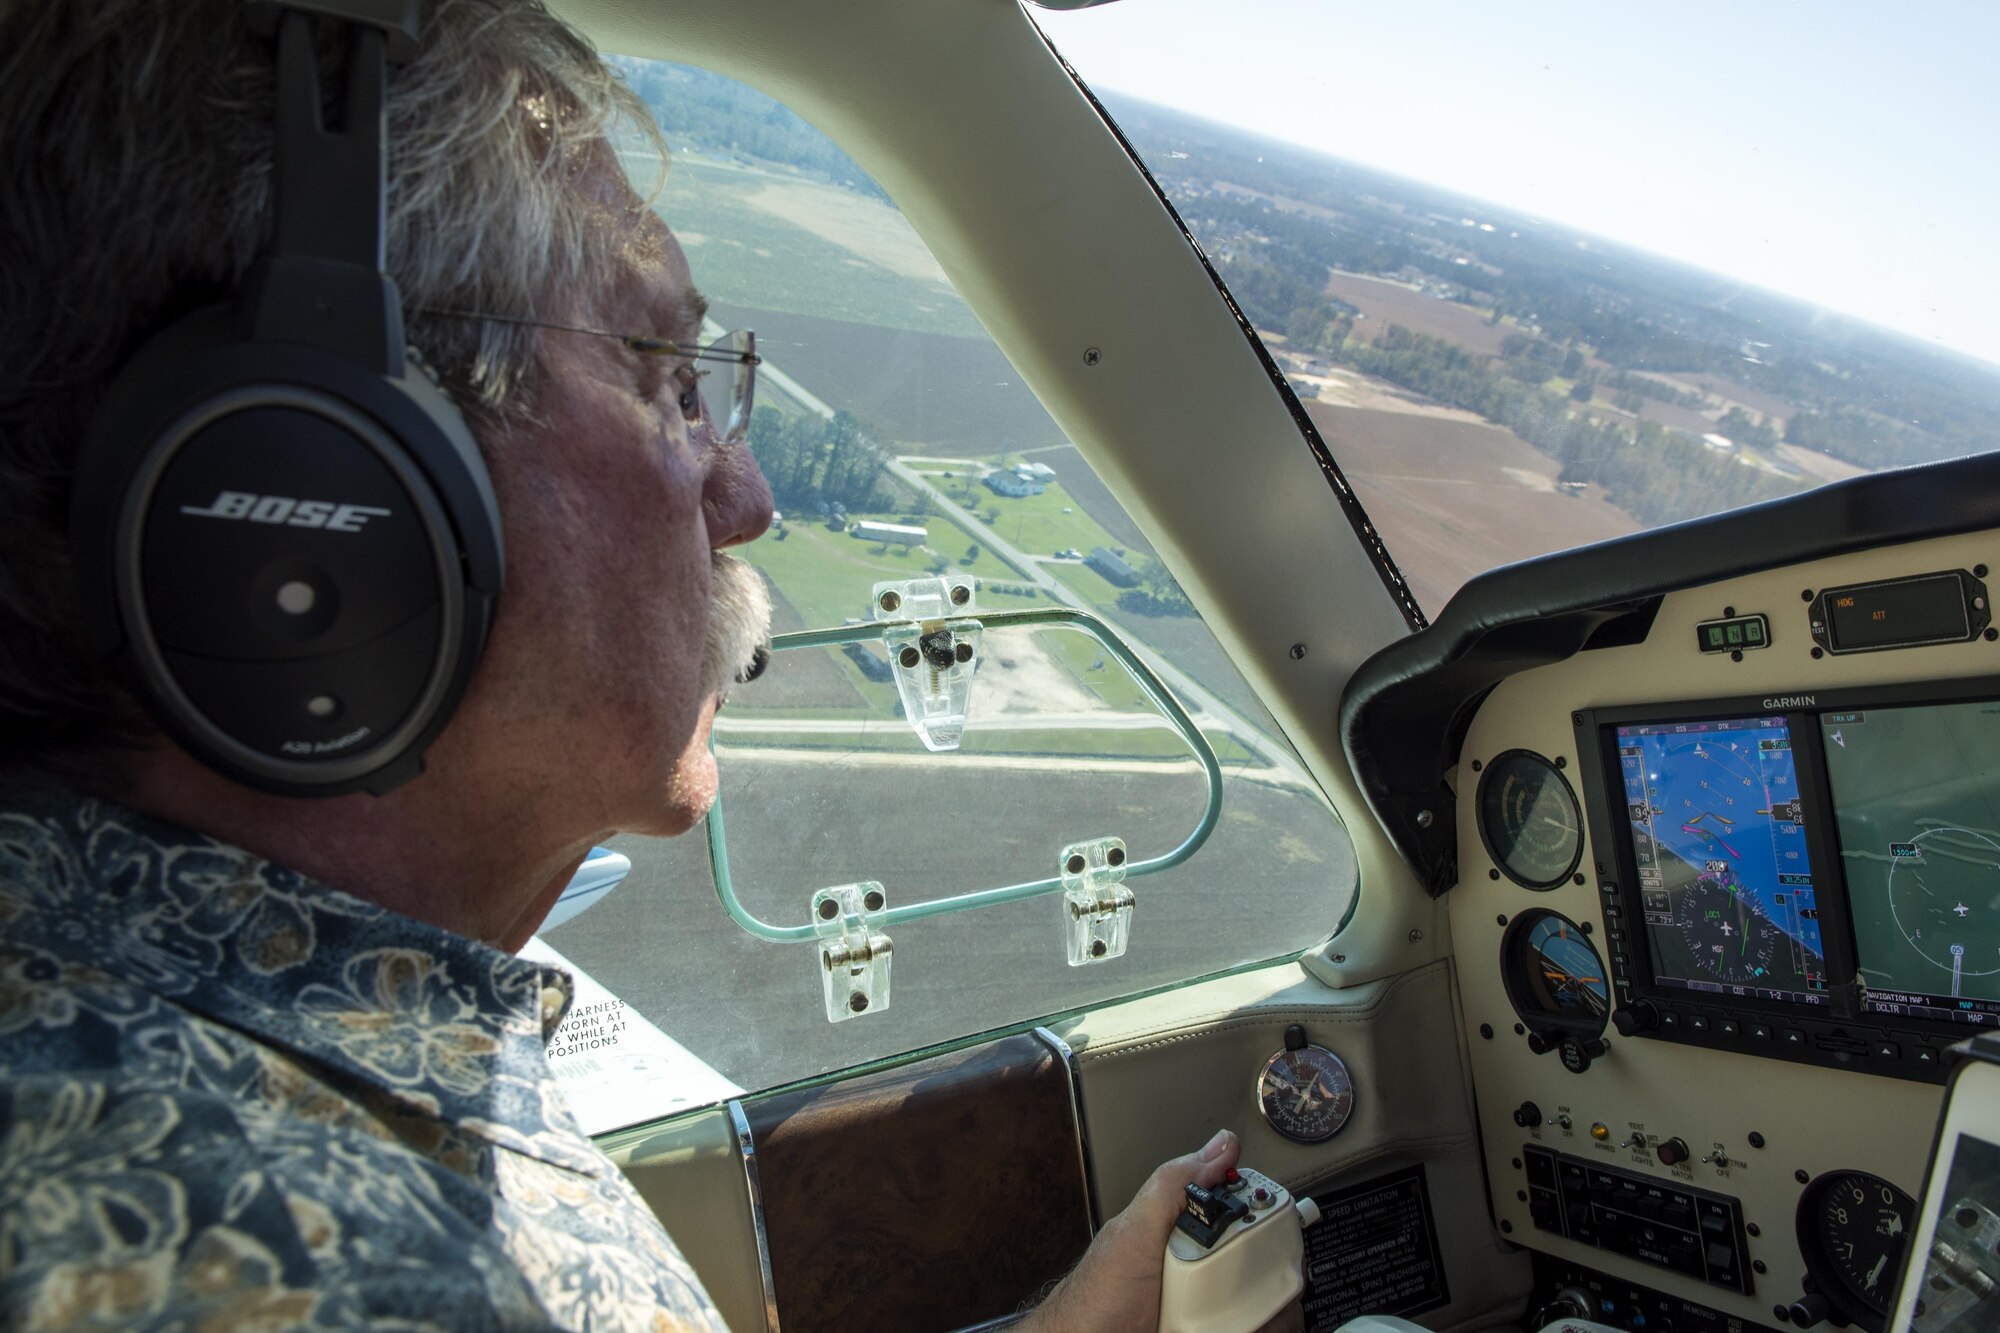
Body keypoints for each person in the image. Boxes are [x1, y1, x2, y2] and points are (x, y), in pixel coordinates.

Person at [0, 1, 1302, 1328]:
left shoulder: (225, 1056)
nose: (747, 497)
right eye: (675, 383)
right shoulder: (331, 1268)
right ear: (325, 485)